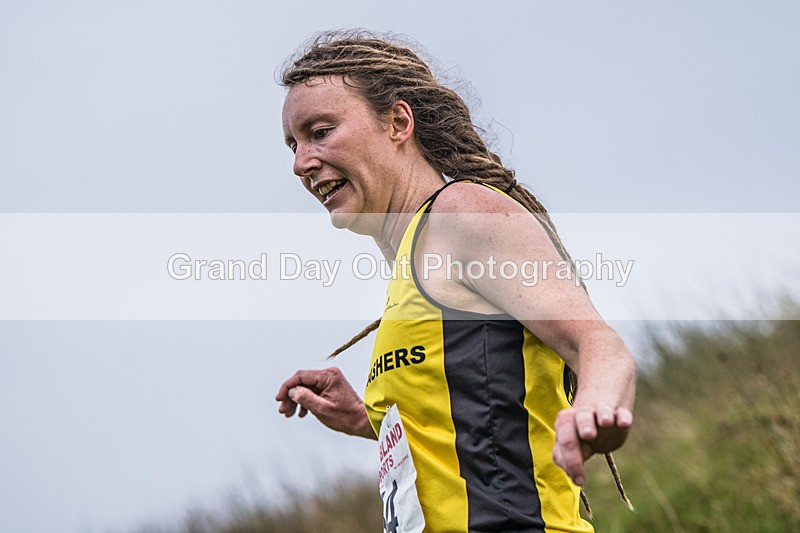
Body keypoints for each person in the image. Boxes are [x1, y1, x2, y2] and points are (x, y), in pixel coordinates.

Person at [275, 31, 636, 533]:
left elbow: (597, 341)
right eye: (293, 144)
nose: (300, 163)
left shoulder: (464, 214)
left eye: (320, 131)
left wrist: (595, 408)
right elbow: (478, 420)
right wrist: (369, 418)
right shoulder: (412, 257)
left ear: (398, 122)